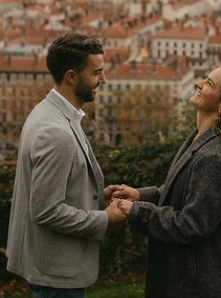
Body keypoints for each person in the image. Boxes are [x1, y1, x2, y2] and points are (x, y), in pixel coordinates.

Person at [109, 65, 221, 298]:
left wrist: (136, 211)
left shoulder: (215, 157)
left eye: (209, 84)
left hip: (198, 285)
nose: (198, 84)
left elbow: (192, 224)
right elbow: (185, 192)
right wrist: (140, 195)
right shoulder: (201, 140)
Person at [6, 33, 125, 298]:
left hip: (49, 265)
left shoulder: (50, 113)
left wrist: (96, 197)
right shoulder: (55, 132)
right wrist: (105, 218)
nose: (103, 80)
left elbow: (58, 186)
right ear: (72, 76)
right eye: (97, 73)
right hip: (56, 273)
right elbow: (47, 211)